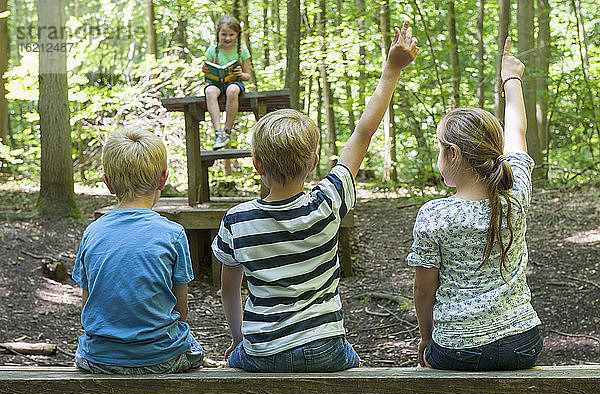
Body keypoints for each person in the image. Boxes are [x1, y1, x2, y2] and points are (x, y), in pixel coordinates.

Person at [211, 21, 419, 372]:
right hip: (327, 350)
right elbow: (363, 133)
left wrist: (237, 340)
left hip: (264, 353)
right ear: (314, 163)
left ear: (257, 165)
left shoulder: (237, 220)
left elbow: (230, 291)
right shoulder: (328, 200)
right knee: (350, 360)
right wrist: (391, 71)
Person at [408, 37, 543, 371]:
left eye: (440, 148)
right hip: (523, 344)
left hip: (456, 348)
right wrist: (511, 79)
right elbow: (517, 133)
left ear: (452, 154)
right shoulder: (516, 196)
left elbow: (425, 290)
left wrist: (427, 338)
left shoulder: (434, 215)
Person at [72, 127, 205, 374]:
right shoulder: (173, 234)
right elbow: (181, 311)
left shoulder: (92, 233)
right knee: (193, 348)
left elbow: (87, 308)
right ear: (163, 179)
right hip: (162, 358)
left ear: (108, 183)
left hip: (101, 359)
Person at [202, 15, 252, 150]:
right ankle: (218, 132)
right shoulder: (213, 50)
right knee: (209, 91)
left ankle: (227, 131)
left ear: (237, 35)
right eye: (224, 34)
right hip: (217, 83)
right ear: (218, 33)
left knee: (232, 90)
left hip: (234, 83)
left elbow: (248, 76)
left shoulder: (242, 51)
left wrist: (240, 74)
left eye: (231, 34)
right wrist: (206, 70)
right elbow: (208, 74)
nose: (227, 38)